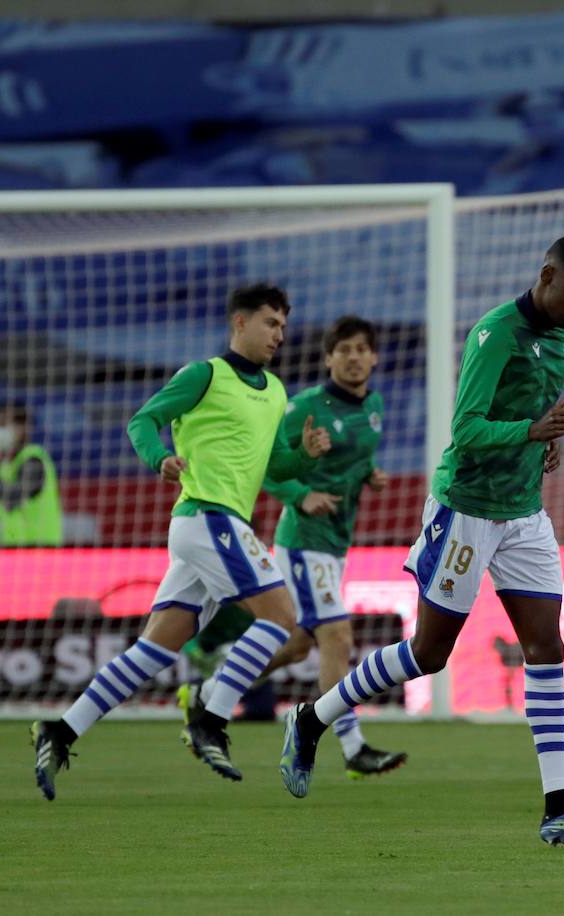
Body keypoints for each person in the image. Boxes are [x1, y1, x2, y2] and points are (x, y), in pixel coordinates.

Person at [278, 236, 564, 846]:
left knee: (546, 647)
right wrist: (530, 429)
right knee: (429, 654)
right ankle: (312, 717)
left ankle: (559, 803)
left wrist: (542, 441)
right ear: (546, 276)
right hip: (466, 511)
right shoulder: (495, 335)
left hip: (524, 514)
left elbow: (531, 407)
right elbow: (466, 429)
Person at [29, 283, 330, 800]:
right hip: (207, 517)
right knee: (282, 618)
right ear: (239, 322)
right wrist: (158, 458)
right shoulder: (204, 375)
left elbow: (272, 464)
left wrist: (302, 455)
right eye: (270, 323)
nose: (279, 334)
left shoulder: (277, 392)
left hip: (216, 528)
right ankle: (209, 718)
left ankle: (61, 729)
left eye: (284, 325)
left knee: (153, 652)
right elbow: (143, 420)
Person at [180, 315, 406, 779]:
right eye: (344, 349)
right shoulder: (305, 406)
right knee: (338, 637)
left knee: (298, 645)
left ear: (375, 356)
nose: (354, 357)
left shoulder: (375, 406)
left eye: (362, 348)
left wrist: (368, 475)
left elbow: (353, 458)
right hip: (303, 540)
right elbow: (262, 466)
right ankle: (351, 747)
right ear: (328, 359)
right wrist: (300, 495)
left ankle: (209, 688)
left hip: (336, 540)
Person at [0, 401, 62, 546]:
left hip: (39, 554)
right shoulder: (5, 467)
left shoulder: (34, 460)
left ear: (22, 428)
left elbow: (10, 500)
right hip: (10, 554)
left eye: (2, 424)